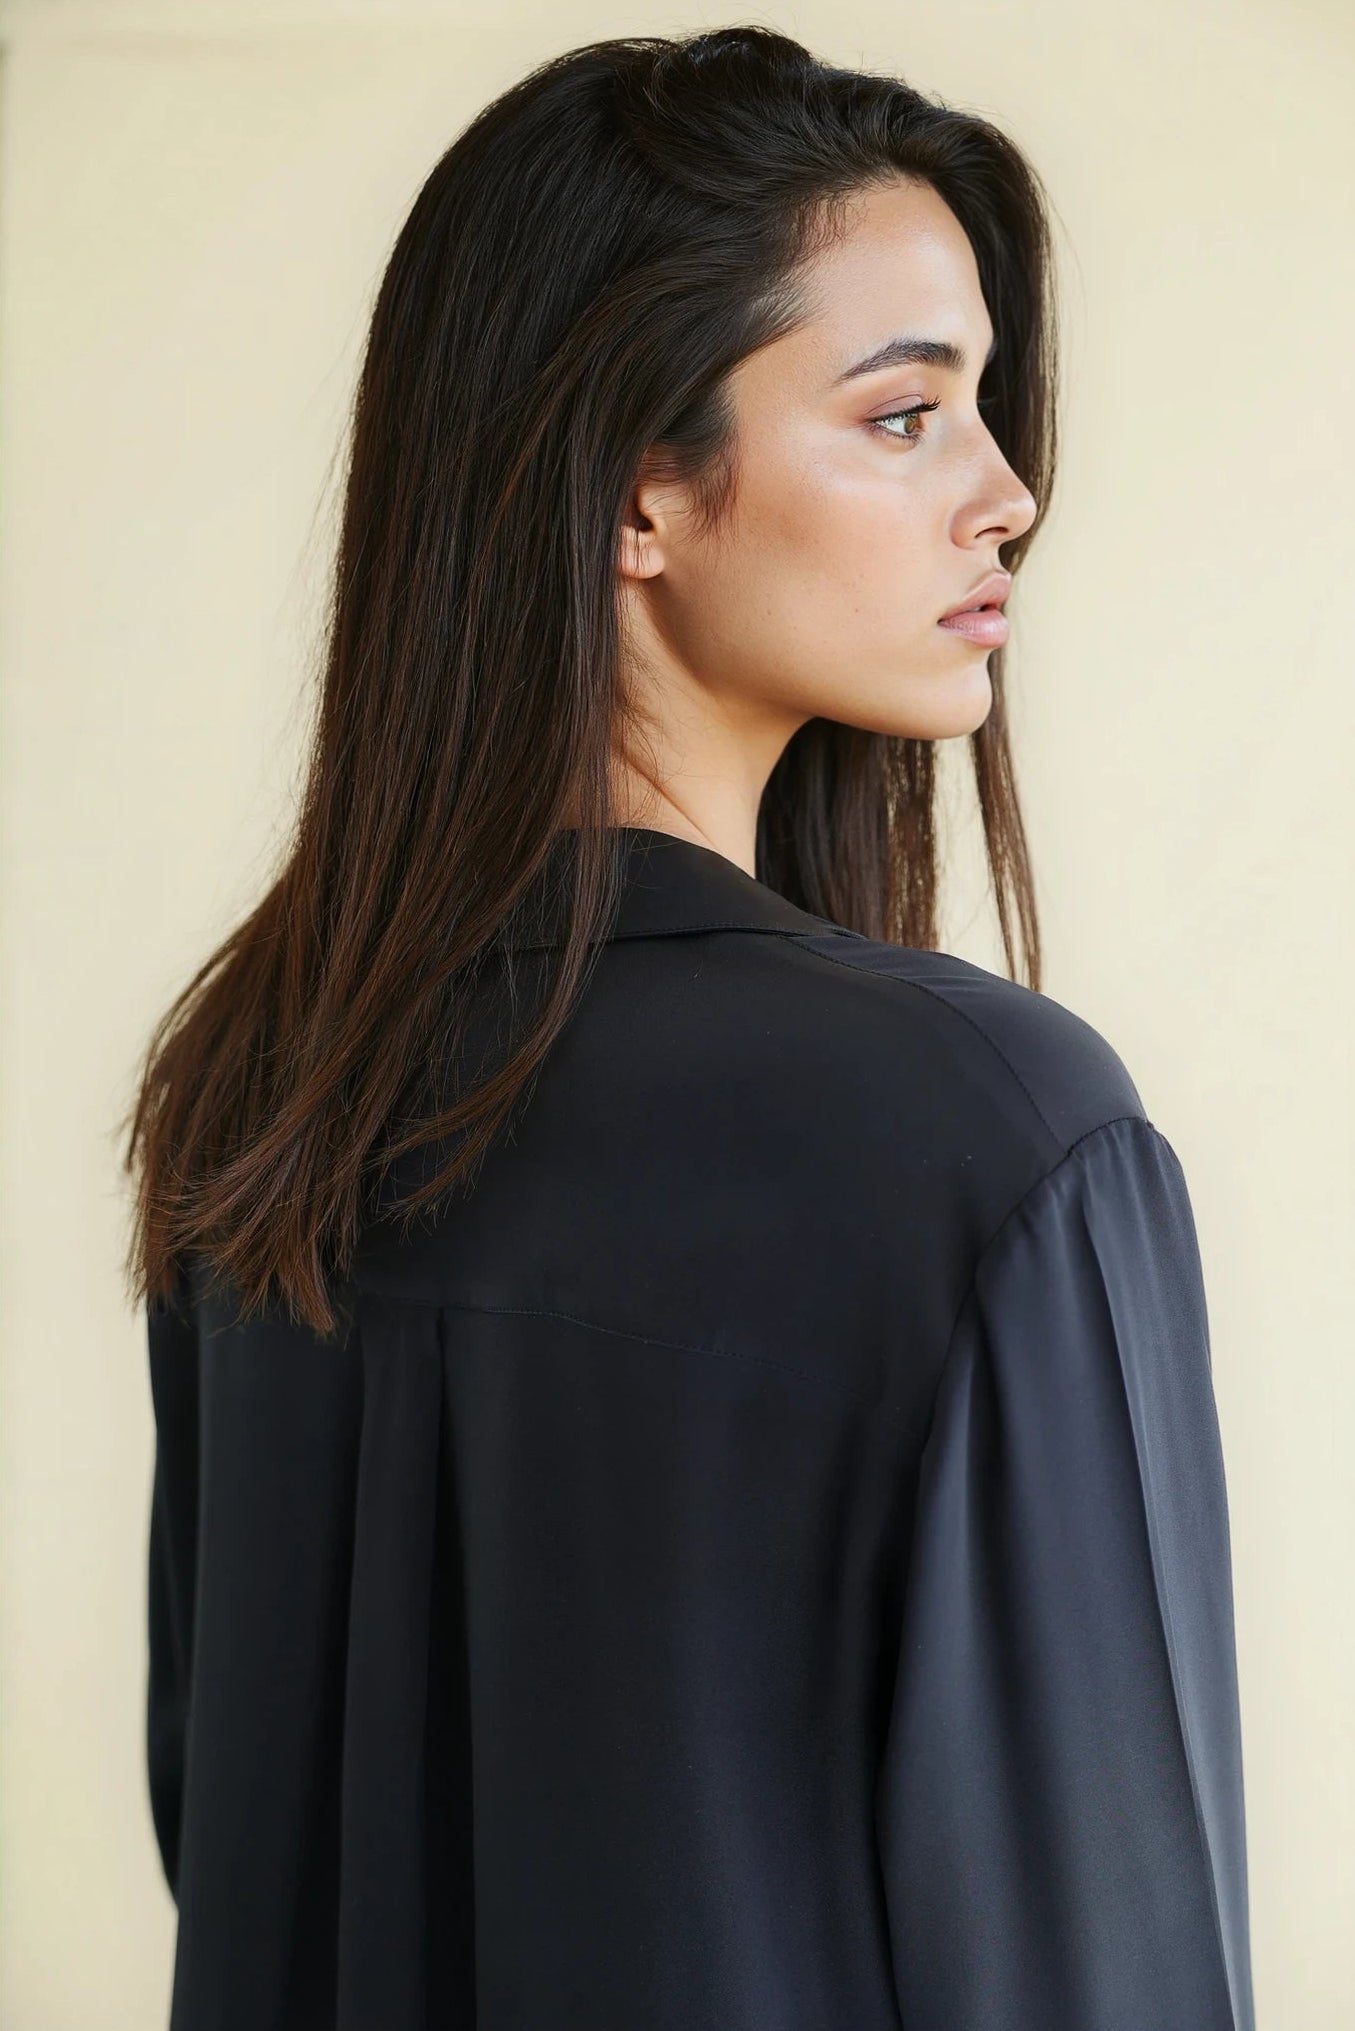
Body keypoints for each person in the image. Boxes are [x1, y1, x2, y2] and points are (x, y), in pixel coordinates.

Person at [123, 25, 1255, 2031]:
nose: (1007, 493)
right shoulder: (989, 1133)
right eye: (903, 417)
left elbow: (228, 1839)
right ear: (638, 486)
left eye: (983, 411)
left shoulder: (271, 1094)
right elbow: (1105, 1967)